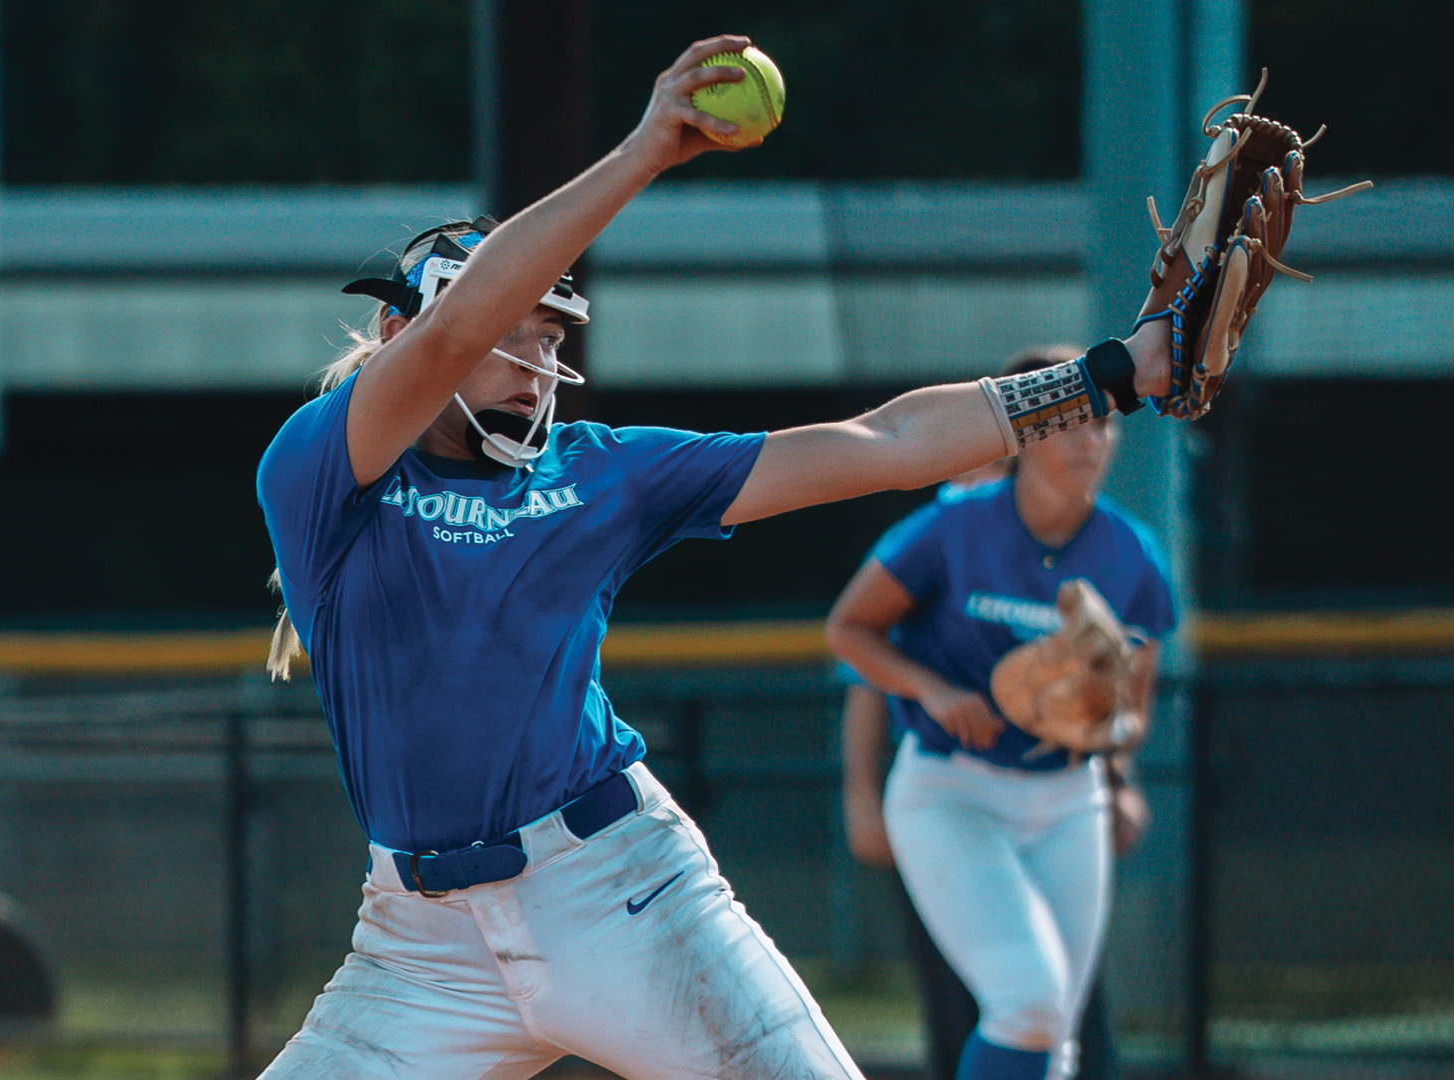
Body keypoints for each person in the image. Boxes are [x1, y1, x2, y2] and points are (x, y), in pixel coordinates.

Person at [256, 35, 1177, 1080]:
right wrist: (645, 150)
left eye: (553, 337)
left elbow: (886, 446)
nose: (535, 359)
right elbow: (454, 333)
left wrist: (1113, 372)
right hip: (417, 948)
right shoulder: (322, 469)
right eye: (517, 329)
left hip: (619, 892)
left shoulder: (600, 472)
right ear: (393, 328)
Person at [826, 349, 1176, 1080]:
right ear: (1024, 434)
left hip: (1066, 797)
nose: (1093, 439)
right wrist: (933, 690)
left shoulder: (1133, 556)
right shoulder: (953, 529)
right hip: (953, 790)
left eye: (1105, 425)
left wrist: (1101, 732)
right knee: (1027, 1002)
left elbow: (1134, 718)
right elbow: (848, 631)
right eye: (1075, 421)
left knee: (1059, 1038)